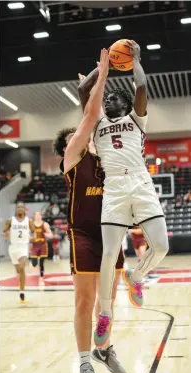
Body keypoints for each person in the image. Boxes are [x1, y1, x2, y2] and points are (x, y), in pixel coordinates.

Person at [78, 41, 169, 347]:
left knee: (162, 246)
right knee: (108, 254)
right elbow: (84, 91)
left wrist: (135, 59)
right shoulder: (98, 122)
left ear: (127, 105)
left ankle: (137, 276)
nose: (110, 98)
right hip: (114, 188)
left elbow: (141, 84)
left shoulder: (136, 119)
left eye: (116, 96)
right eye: (108, 96)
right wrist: (103, 68)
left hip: (141, 184)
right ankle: (105, 313)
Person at [53, 50, 126, 373]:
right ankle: (85, 360)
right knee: (85, 299)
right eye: (75, 136)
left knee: (106, 302)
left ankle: (105, 348)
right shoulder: (71, 158)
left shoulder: (106, 156)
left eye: (82, 135)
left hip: (110, 232)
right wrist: (102, 77)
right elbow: (91, 116)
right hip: (82, 233)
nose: (81, 137)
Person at [3, 202, 35, 303]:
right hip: (13, 248)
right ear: (16, 209)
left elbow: (34, 232)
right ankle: (21, 284)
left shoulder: (29, 221)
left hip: (23, 247)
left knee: (21, 268)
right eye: (18, 207)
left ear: (25, 209)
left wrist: (33, 237)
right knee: (18, 271)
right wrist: (6, 233)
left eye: (22, 207)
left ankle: (22, 291)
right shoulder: (10, 220)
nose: (20, 209)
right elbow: (4, 231)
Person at [30, 211, 53, 284]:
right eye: (36, 215)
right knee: (34, 263)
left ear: (41, 216)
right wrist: (29, 238)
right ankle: (33, 266)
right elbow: (27, 234)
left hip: (42, 245)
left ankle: (41, 276)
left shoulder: (45, 224)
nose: (37, 216)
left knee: (41, 262)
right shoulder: (31, 224)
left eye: (39, 215)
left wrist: (47, 234)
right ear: (34, 216)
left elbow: (50, 234)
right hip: (34, 245)